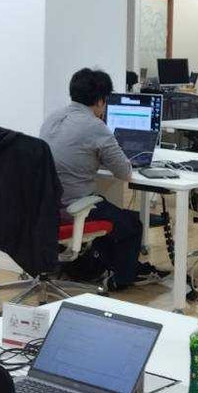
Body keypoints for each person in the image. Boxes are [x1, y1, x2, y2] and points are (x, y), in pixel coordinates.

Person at [40, 68, 167, 292]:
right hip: (72, 208)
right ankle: (123, 279)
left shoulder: (53, 118)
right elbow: (125, 173)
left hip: (45, 207)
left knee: (113, 212)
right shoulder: (96, 127)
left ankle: (103, 268)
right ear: (101, 101)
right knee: (132, 224)